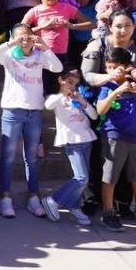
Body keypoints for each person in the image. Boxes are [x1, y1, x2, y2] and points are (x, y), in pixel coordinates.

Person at [0, 23, 62, 219]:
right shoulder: (8, 55)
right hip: (13, 111)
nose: (25, 41)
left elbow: (57, 67)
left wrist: (45, 46)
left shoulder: (39, 55)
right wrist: (12, 43)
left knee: (32, 157)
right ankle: (5, 197)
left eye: (28, 36)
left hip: (34, 112)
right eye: (20, 37)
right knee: (8, 156)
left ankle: (33, 197)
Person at [95, 47, 136, 232]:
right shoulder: (107, 86)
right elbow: (100, 110)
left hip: (134, 138)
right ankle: (108, 212)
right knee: (110, 176)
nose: (112, 71)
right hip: (114, 137)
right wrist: (116, 91)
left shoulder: (135, 83)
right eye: (109, 67)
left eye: (117, 67)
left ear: (128, 67)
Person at [41, 68, 97, 225]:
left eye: (76, 84)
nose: (72, 86)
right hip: (72, 142)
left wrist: (83, 101)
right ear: (61, 80)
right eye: (69, 82)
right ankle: (53, 200)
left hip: (86, 139)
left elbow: (94, 116)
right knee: (81, 177)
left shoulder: (79, 98)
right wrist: (62, 95)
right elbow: (48, 105)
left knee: (83, 178)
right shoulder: (56, 99)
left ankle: (74, 206)